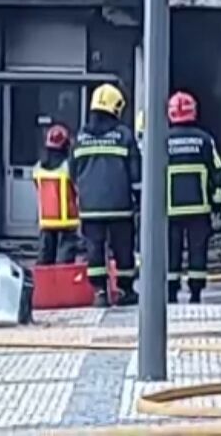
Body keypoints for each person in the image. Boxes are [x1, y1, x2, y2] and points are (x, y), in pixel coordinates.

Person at [70, 83, 140, 307]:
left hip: (90, 207)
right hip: (120, 206)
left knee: (94, 249)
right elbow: (136, 173)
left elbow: (72, 171)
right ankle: (125, 291)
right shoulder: (124, 136)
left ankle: (100, 292)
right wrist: (139, 199)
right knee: (123, 249)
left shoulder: (80, 137)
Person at [166, 91, 221, 304]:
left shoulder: (162, 139)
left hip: (170, 210)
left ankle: (171, 293)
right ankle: (196, 294)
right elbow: (218, 170)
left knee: (171, 253)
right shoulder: (204, 139)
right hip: (200, 209)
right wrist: (217, 201)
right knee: (197, 252)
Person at [33, 124, 81, 265]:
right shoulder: (68, 166)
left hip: (46, 223)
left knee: (44, 262)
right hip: (68, 224)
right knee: (63, 265)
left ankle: (45, 287)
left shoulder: (37, 168)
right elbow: (78, 188)